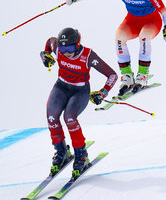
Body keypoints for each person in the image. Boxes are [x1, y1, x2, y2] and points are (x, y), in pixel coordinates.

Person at [66, 0, 166, 95]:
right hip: (132, 21)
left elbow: (163, 10)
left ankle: (143, 75)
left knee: (144, 38)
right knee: (118, 38)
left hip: (152, 22)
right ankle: (127, 75)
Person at [40, 27, 117, 178]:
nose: (66, 52)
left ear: (77, 44)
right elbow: (50, 42)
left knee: (69, 118)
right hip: (61, 86)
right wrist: (45, 55)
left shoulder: (88, 56)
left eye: (70, 48)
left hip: (80, 91)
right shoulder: (58, 49)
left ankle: (81, 154)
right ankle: (61, 152)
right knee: (51, 117)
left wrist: (103, 92)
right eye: (63, 49)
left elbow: (112, 75)